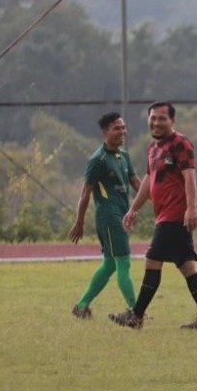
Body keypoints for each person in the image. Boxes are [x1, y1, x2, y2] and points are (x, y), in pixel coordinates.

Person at [109, 102, 197, 331]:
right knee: (187, 266)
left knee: (152, 260)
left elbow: (190, 177)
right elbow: (149, 182)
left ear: (172, 121)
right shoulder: (153, 148)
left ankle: (136, 316)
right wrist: (133, 208)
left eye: (162, 118)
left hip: (176, 216)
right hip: (164, 216)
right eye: (153, 118)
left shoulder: (181, 143)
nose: (157, 122)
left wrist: (191, 209)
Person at [68, 112, 141, 319]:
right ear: (105, 132)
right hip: (109, 218)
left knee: (110, 264)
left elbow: (136, 183)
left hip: (121, 215)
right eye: (117, 128)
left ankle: (81, 306)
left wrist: (159, 200)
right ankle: (135, 311)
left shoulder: (124, 156)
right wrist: (79, 222)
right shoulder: (97, 160)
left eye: (123, 127)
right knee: (123, 263)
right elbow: (85, 193)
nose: (122, 132)